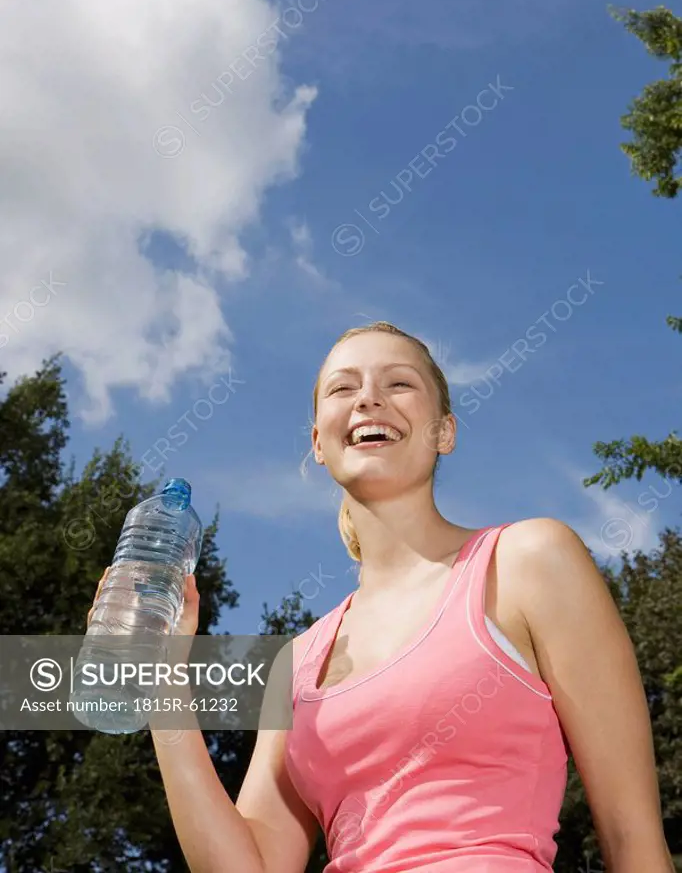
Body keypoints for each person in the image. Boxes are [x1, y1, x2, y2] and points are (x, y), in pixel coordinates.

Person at [90, 321, 674, 873]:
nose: (369, 398)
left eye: (398, 383)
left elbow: (633, 837)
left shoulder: (528, 561)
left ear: (444, 430)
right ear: (319, 441)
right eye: (344, 388)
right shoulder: (295, 664)